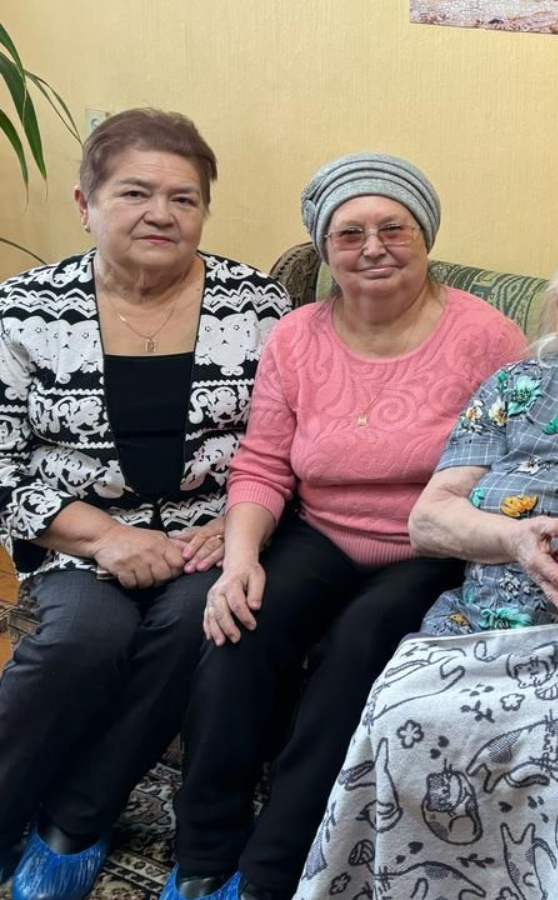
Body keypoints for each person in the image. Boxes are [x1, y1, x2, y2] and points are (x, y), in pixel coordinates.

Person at [293, 219, 558, 900]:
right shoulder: (515, 388)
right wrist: (514, 540)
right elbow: (429, 519)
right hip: (480, 634)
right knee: (402, 713)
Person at [159, 154, 527, 900]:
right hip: (319, 530)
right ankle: (202, 855)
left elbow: (518, 463)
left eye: (394, 228)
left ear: (425, 237)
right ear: (325, 249)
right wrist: (240, 559)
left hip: (429, 545)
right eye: (349, 234)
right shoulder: (296, 336)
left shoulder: (486, 337)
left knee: (356, 649)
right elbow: (263, 464)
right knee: (238, 628)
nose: (373, 248)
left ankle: (272, 870)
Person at [0, 108, 288, 900]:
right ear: (85, 203)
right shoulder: (22, 309)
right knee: (84, 639)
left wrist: (236, 523)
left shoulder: (259, 305)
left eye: (183, 198)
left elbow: (293, 439)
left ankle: (75, 818)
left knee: (196, 626)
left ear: (204, 211)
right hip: (75, 535)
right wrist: (104, 538)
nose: (161, 213)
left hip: (211, 536)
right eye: (134, 193)